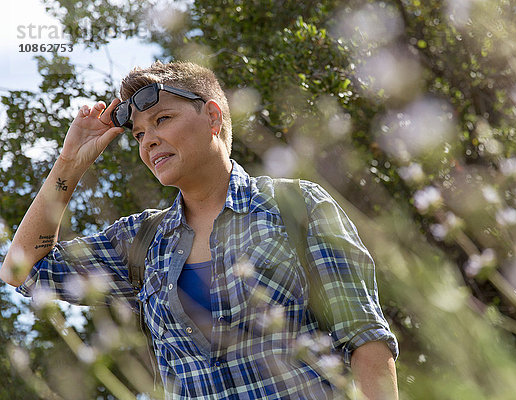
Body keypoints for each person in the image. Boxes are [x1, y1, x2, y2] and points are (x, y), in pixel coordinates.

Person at [0, 61, 399, 399]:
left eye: (162, 119)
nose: (149, 141)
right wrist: (71, 161)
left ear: (212, 116)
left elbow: (365, 338)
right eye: (139, 134)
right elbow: (21, 270)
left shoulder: (296, 206)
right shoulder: (142, 241)